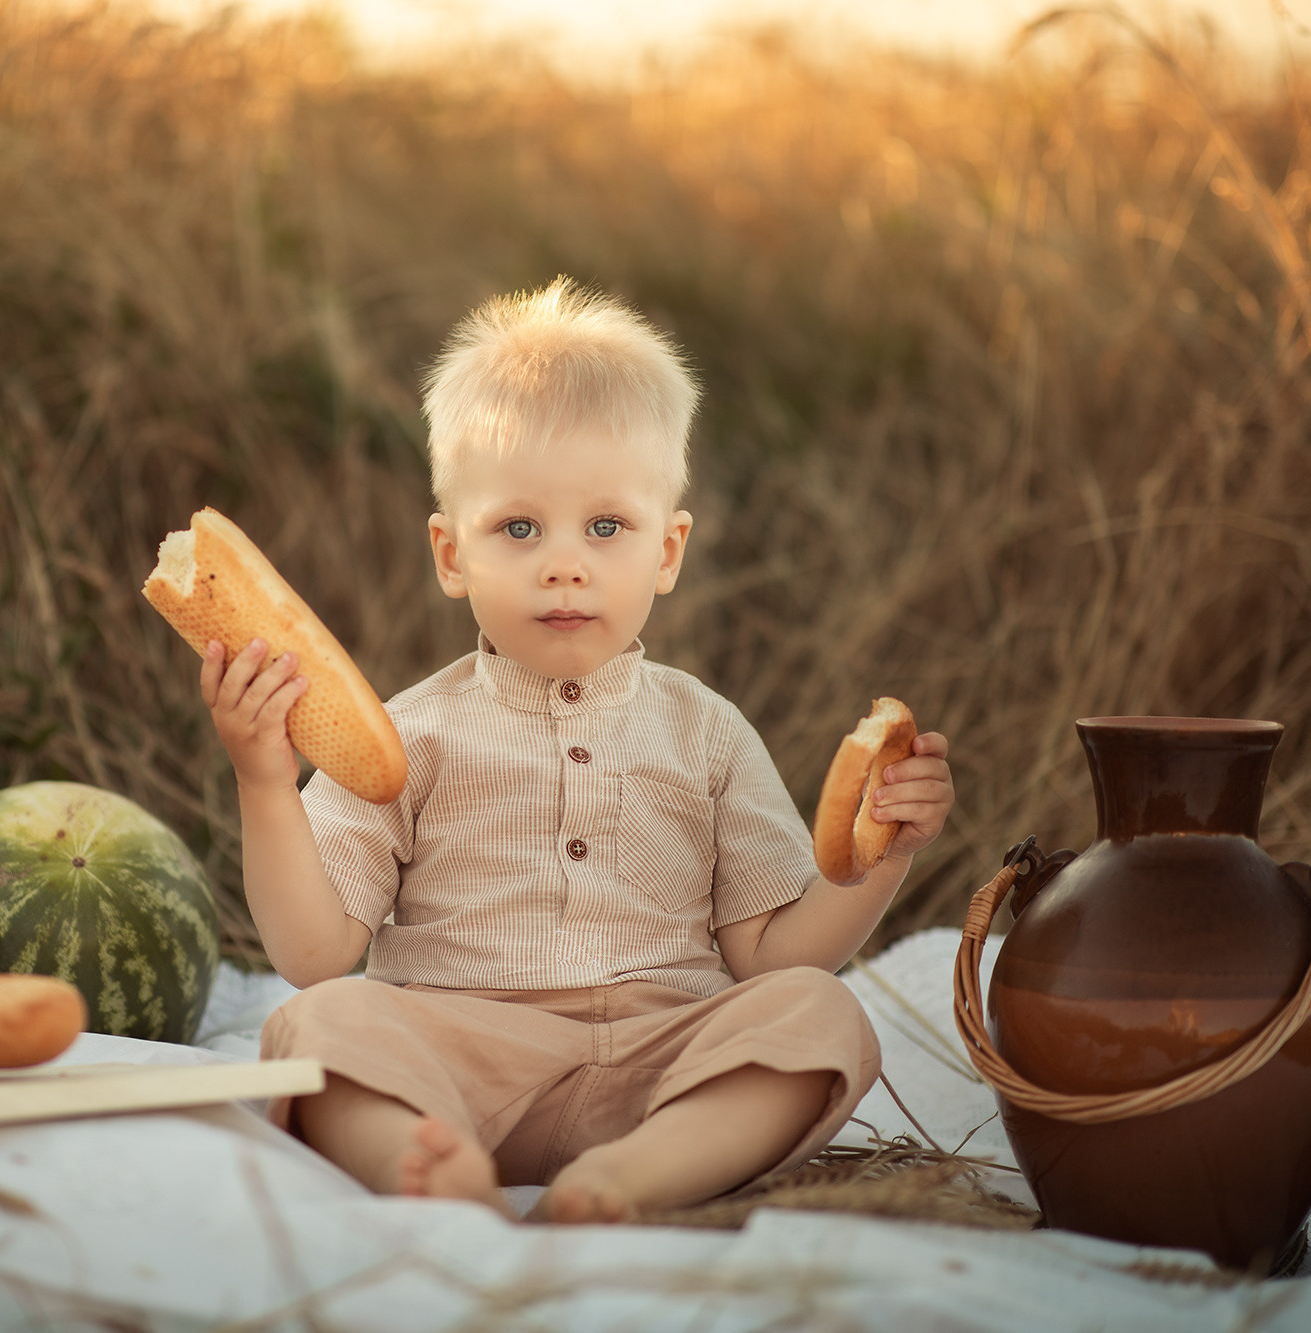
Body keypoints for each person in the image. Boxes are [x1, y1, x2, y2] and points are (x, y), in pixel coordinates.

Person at [197, 278, 955, 1223]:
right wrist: (263, 777)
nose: (565, 562)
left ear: (668, 551)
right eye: (518, 528)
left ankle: (629, 1178)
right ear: (450, 554)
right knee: (319, 1023)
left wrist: (883, 857)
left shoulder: (706, 730)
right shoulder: (409, 733)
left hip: (664, 1057)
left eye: (607, 527)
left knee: (821, 1015)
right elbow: (314, 953)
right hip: (464, 1056)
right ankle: (426, 1162)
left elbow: (771, 958)